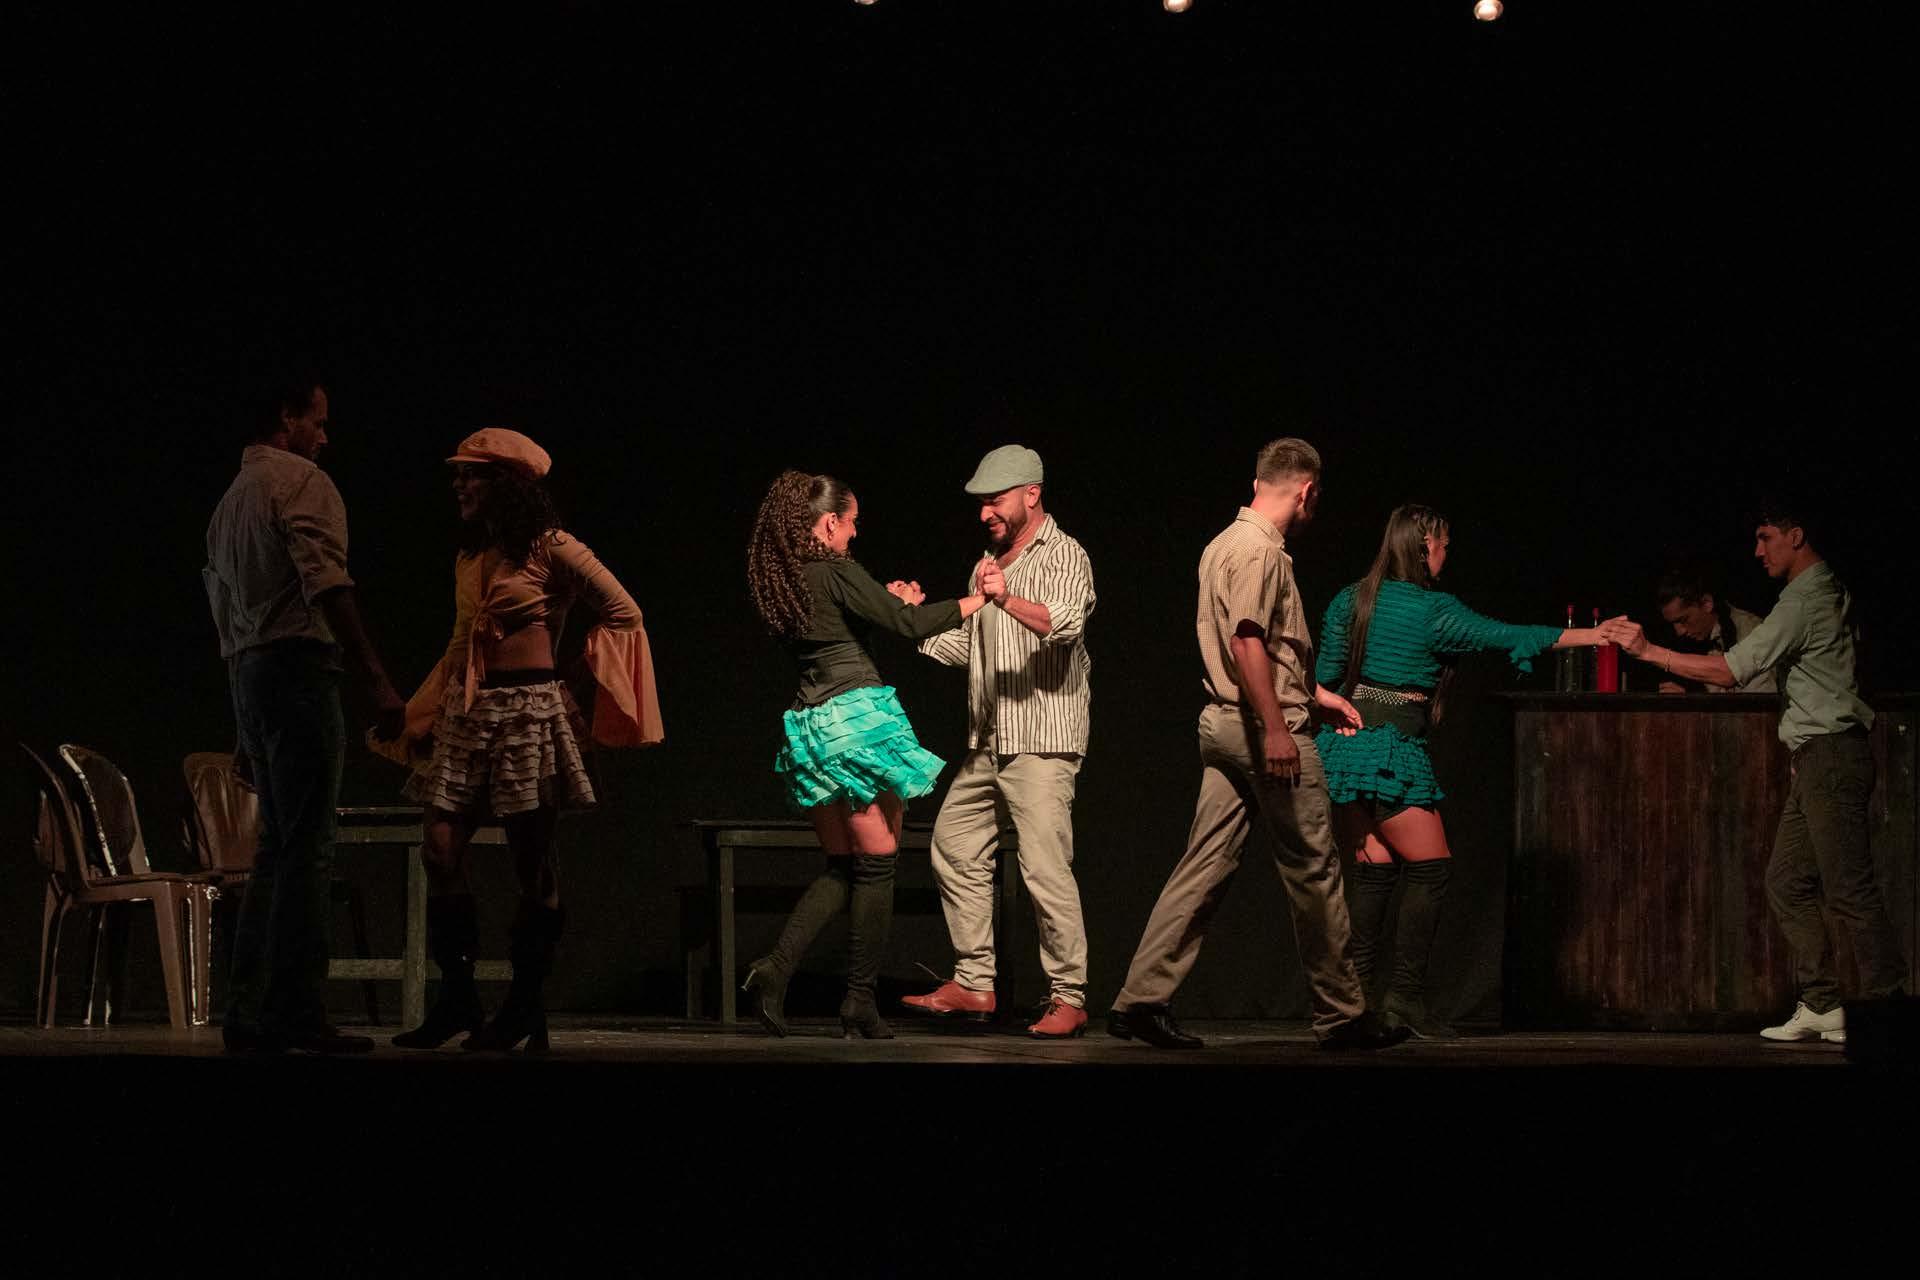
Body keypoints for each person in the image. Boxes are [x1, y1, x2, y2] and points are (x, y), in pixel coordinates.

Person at [1108, 438, 1405, 1051]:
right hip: (1259, 729)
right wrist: (1276, 726)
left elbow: (1259, 646)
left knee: (1204, 864)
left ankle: (1140, 1000)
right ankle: (1342, 1015)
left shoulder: (1222, 543)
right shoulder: (1260, 552)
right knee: (1314, 869)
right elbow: (1246, 642)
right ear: (1307, 491)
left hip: (1224, 725)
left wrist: (1314, 693)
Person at [378, 428, 657, 1054]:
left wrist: (572, 675)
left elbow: (625, 612)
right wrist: (420, 712)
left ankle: (526, 1004)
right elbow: (460, 643)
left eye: (471, 473)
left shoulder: (552, 547)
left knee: (531, 863)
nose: (458, 484)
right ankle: (458, 999)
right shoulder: (473, 555)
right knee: (439, 848)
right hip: (470, 712)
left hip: (528, 713)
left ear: (505, 483)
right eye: (457, 474)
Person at [1316, 504, 1625, 1038]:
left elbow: (1323, 678)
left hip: (1347, 746)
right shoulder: (1431, 610)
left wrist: (1338, 718)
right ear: (1424, 547)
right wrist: (1592, 636)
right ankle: (1401, 1001)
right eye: (1443, 544)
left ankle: (1356, 1001)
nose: (1446, 553)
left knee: (1375, 872)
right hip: (1390, 749)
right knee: (1430, 868)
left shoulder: (1351, 599)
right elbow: (1502, 634)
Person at [1615, 501, 1906, 1043]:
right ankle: (1823, 1003)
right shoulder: (1824, 589)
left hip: (1830, 753)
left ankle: (1888, 1010)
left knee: (1849, 889)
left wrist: (1650, 651)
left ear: (1796, 536)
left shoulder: (1804, 600)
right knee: (1787, 881)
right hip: (1819, 755)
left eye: (1765, 537)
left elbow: (1730, 672)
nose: (1756, 551)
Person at [743, 469, 987, 1039]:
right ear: (830, 522)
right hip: (856, 721)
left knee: (844, 866)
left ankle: (775, 970)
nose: (854, 533)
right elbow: (908, 623)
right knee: (877, 865)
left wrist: (890, 602)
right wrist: (981, 598)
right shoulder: (834, 569)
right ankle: (858, 1001)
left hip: (810, 728)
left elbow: (857, 621)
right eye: (851, 523)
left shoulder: (786, 579)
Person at [204, 375, 404, 1054]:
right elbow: (328, 585)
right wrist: (377, 682)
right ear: (287, 418)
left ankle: (249, 1011)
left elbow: (228, 618)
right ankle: (293, 1011)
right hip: (294, 668)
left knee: (276, 850)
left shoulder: (231, 501)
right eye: (317, 421)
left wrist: (243, 722)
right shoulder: (299, 482)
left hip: (251, 674)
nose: (324, 436)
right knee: (308, 847)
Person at [899, 445, 1098, 1038]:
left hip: (1042, 738)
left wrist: (1006, 597)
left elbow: (1065, 624)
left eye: (995, 500)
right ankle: (974, 982)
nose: (985, 512)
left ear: (1032, 494)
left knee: (1045, 869)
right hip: (990, 741)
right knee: (955, 844)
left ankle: (1069, 996)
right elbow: (973, 649)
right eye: (981, 502)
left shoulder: (1064, 553)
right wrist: (915, 620)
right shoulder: (986, 564)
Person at [1651, 563, 1774, 694]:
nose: (1679, 631)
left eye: (1684, 620)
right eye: (1673, 623)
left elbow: (1759, 701)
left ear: (1706, 604)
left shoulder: (1751, 631)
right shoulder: (1697, 639)